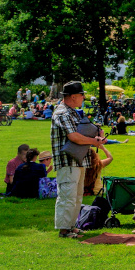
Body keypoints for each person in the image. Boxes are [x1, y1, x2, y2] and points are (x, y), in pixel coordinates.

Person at [51, 81, 105, 239]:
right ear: (73, 96)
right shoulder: (63, 112)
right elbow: (73, 136)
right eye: (82, 95)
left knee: (76, 196)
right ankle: (64, 230)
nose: (84, 97)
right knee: (67, 195)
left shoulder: (72, 112)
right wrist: (94, 141)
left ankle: (71, 226)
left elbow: (81, 133)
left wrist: (96, 134)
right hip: (67, 161)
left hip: (77, 160)